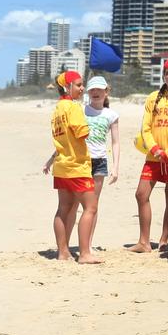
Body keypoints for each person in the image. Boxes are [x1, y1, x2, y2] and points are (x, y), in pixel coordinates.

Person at [43, 75, 120, 252]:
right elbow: (76, 136)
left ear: (106, 92)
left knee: (89, 206)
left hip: (96, 161)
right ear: (69, 86)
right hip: (79, 162)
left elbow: (115, 142)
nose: (91, 91)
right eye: (85, 87)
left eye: (99, 89)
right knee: (83, 207)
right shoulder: (77, 109)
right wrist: (51, 158)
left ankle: (83, 246)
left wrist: (115, 167)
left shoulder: (110, 114)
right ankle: (75, 249)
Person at [128, 58, 168, 253]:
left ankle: (163, 239)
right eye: (167, 72)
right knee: (141, 194)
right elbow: (145, 127)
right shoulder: (154, 97)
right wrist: (154, 149)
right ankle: (144, 242)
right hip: (154, 156)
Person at [49, 70, 102, 264]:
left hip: (62, 165)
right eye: (78, 85)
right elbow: (82, 133)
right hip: (77, 166)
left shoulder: (57, 109)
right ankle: (85, 253)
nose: (82, 89)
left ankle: (63, 253)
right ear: (67, 87)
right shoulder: (73, 107)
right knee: (91, 207)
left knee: (63, 208)